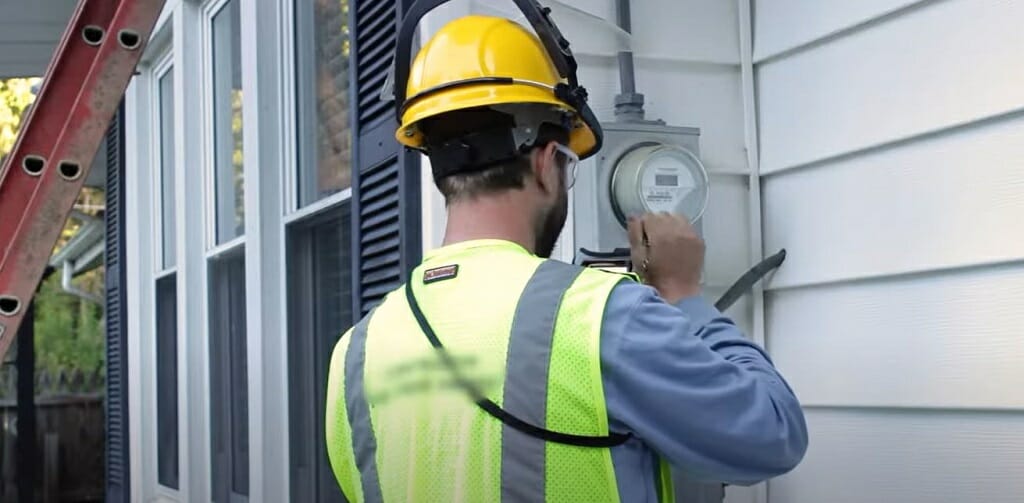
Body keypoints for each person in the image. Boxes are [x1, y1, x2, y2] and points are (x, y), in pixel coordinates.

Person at [326, 10, 807, 503]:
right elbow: (773, 434)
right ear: (545, 160)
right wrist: (684, 293)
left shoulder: (355, 355)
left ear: (439, 167)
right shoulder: (599, 317)